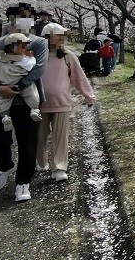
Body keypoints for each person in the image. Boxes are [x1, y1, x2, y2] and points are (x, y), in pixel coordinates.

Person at [0, 4, 47, 203]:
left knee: (27, 143)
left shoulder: (38, 43)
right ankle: (4, 166)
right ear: (10, 19)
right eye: (20, 17)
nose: (24, 21)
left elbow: (38, 69)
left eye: (28, 17)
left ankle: (23, 183)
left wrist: (18, 86)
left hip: (27, 101)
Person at [37, 23, 95, 182]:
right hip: (39, 104)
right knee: (38, 136)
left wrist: (88, 96)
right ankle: (41, 162)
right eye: (58, 36)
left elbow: (79, 77)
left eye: (62, 36)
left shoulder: (68, 56)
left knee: (60, 137)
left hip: (62, 102)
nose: (61, 39)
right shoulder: (37, 55)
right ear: (48, 37)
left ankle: (59, 167)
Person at [0, 32, 44, 130]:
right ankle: (34, 109)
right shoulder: (22, 59)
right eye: (23, 46)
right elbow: (31, 66)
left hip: (5, 84)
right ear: (14, 47)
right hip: (21, 83)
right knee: (32, 93)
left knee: (3, 101)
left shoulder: (2, 58)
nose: (25, 49)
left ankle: (5, 117)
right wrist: (31, 57)